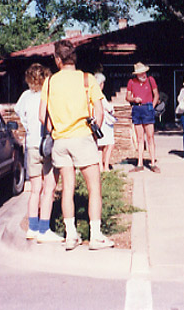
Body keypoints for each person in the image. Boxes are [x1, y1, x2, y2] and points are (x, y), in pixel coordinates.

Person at [39, 40, 113, 251]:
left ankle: (71, 234)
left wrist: (57, 130)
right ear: (74, 58)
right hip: (82, 137)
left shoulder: (50, 82)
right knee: (94, 188)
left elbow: (42, 116)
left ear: (57, 59)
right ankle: (96, 235)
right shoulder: (87, 79)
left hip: (61, 140)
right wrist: (94, 133)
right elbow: (98, 112)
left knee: (67, 188)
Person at [15, 64, 63, 243]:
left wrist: (28, 126)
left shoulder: (25, 96)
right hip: (48, 145)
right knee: (49, 189)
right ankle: (44, 229)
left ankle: (32, 228)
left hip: (32, 145)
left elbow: (19, 112)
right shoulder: (49, 94)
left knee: (35, 189)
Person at [126, 62, 160, 173]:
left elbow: (156, 95)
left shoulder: (150, 80)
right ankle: (139, 163)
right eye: (140, 73)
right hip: (137, 109)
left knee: (150, 137)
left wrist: (152, 106)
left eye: (144, 72)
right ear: (136, 74)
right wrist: (133, 99)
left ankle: (153, 163)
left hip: (147, 108)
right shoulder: (131, 82)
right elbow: (127, 96)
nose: (143, 75)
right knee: (140, 138)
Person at [95, 73, 116, 172]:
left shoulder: (93, 94)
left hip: (98, 120)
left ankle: (100, 166)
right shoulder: (100, 95)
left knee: (100, 145)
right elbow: (108, 107)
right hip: (104, 121)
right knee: (110, 144)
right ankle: (106, 166)